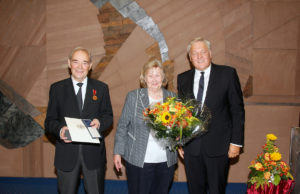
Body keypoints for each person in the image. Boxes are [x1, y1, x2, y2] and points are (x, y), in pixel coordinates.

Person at [177, 37, 245, 194]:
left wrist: (236, 142)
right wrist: (180, 141)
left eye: (203, 52)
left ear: (211, 53)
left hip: (219, 146)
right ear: (190, 58)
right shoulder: (183, 78)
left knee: (216, 190)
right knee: (195, 190)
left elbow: (237, 110)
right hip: (191, 148)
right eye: (195, 53)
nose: (199, 56)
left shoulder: (228, 74)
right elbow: (181, 113)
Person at [44, 47, 113, 194]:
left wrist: (100, 123)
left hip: (94, 156)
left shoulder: (101, 88)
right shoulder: (57, 89)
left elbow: (108, 116)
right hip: (67, 155)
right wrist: (60, 130)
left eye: (85, 62)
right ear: (69, 63)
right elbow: (49, 121)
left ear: (90, 65)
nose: (80, 67)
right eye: (76, 62)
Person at [113, 59, 177, 194]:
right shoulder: (134, 97)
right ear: (144, 78)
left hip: (166, 161)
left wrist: (180, 139)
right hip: (138, 159)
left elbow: (179, 127)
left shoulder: (172, 97)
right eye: (150, 75)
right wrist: (118, 152)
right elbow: (122, 126)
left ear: (163, 78)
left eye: (158, 75)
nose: (154, 79)